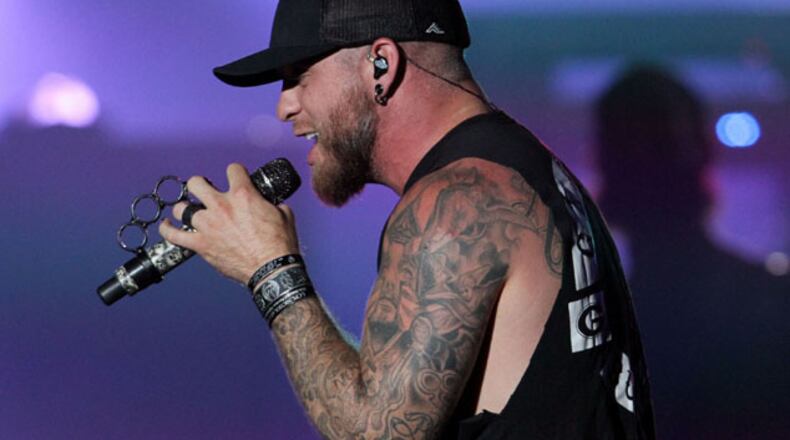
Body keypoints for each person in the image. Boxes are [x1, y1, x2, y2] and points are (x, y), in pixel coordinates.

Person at [159, 1, 655, 438]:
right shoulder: (521, 167)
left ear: (381, 63)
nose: (284, 105)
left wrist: (270, 270)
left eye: (299, 76)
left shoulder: (460, 201)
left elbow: (374, 432)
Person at [596, 66, 790, 439]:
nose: (645, 163)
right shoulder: (773, 303)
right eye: (632, 147)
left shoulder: (593, 332)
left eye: (657, 145)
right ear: (701, 154)